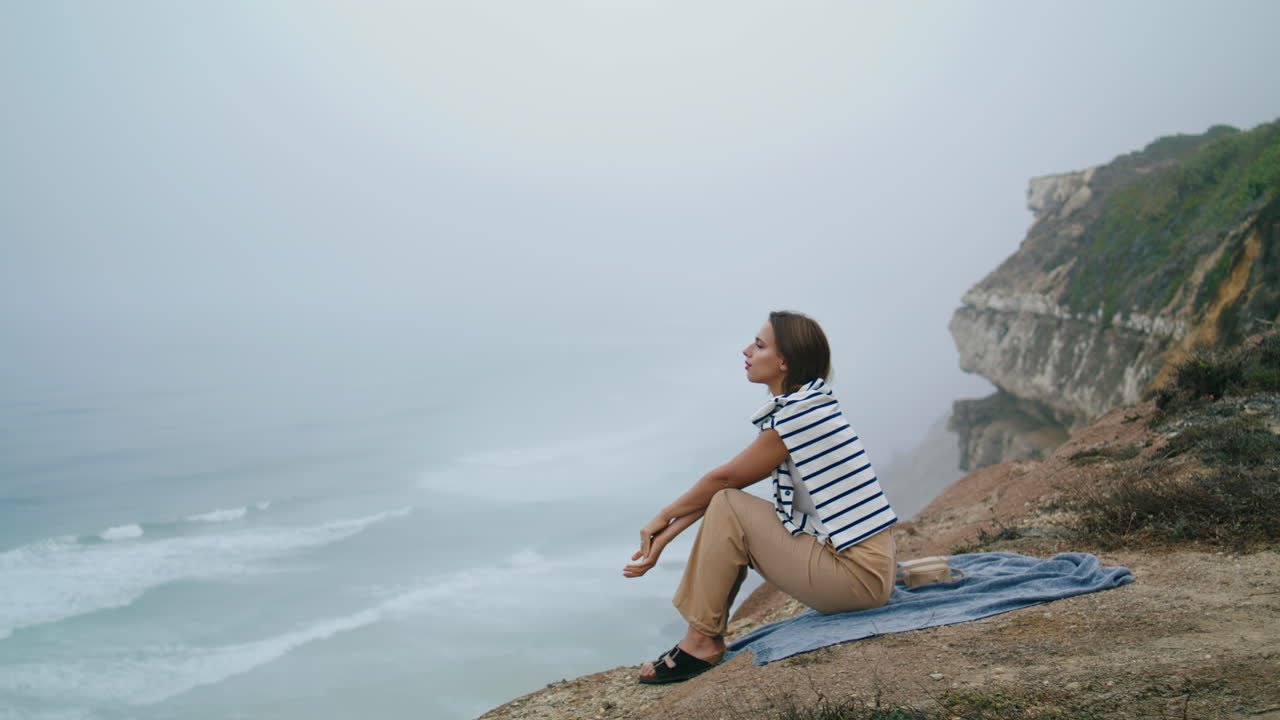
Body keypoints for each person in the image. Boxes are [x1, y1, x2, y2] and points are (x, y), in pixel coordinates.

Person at [623, 310, 898, 684]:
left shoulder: (800, 416)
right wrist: (664, 537)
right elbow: (724, 488)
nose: (746, 350)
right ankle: (702, 637)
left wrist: (662, 518)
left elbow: (724, 480)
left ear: (784, 361)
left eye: (759, 345)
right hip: (862, 572)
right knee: (728, 503)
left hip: (857, 580)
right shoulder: (807, 407)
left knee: (729, 504)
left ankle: (701, 641)